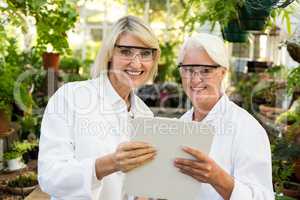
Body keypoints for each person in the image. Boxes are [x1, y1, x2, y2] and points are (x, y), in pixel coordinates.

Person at [38, 15, 161, 200]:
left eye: (145, 53)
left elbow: (138, 185)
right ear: (110, 53)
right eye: (126, 52)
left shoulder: (145, 114)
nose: (136, 63)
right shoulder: (70, 98)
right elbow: (49, 177)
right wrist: (110, 163)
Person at [173, 33, 274, 200]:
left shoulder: (247, 129)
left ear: (222, 73)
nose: (195, 79)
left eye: (206, 70)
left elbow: (263, 197)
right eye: (189, 70)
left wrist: (217, 177)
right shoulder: (180, 124)